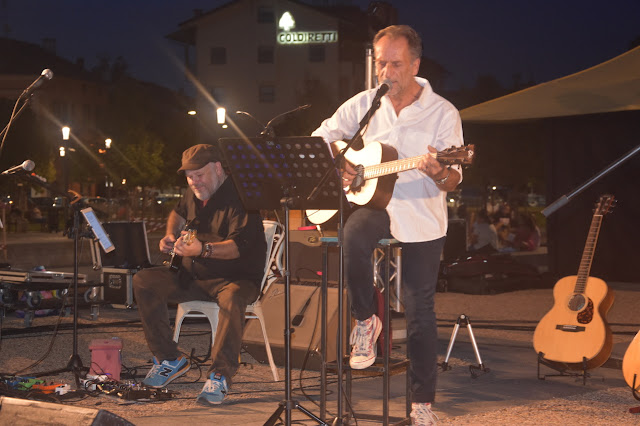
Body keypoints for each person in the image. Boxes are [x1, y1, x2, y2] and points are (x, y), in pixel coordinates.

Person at [312, 25, 464, 424]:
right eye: (381, 63)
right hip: (375, 204)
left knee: (419, 309)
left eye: (395, 64)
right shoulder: (364, 104)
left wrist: (437, 172)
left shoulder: (443, 112)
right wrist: (340, 160)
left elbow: (453, 180)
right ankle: (366, 318)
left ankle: (421, 404)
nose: (386, 72)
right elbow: (322, 135)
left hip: (421, 214)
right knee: (351, 235)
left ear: (415, 64)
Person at [132, 144, 266, 405]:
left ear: (217, 168)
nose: (193, 181)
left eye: (199, 175)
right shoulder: (195, 192)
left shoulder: (243, 197)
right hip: (194, 276)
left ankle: (220, 375)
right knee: (144, 281)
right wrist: (170, 236)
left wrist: (202, 249)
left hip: (235, 278)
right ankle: (170, 358)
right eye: (189, 176)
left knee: (233, 297)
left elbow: (237, 248)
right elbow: (177, 214)